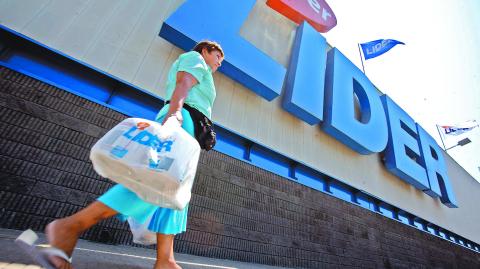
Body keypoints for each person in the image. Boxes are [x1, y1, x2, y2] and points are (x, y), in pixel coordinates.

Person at [15, 40, 224, 269]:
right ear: (205, 50)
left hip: (190, 131)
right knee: (152, 182)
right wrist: (174, 114)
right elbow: (183, 83)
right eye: (217, 57)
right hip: (181, 121)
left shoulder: (206, 71)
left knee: (174, 191)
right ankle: (69, 227)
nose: (219, 63)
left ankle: (166, 259)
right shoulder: (195, 59)